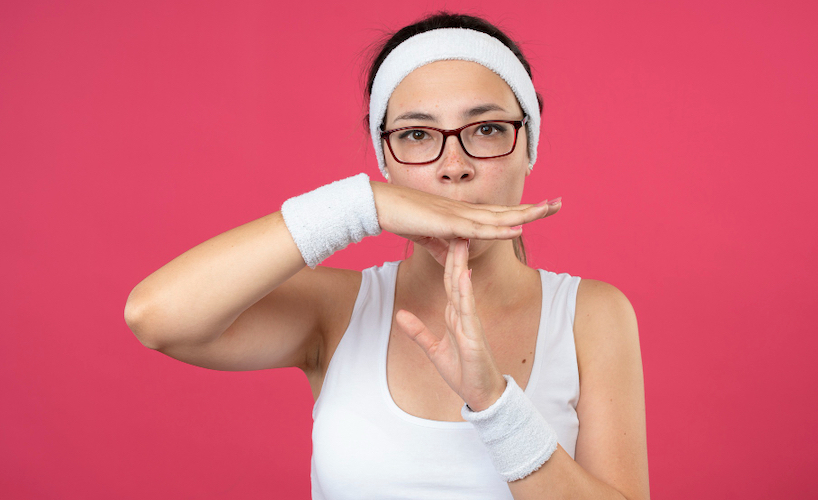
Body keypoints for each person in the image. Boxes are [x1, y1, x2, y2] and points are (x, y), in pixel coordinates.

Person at [124, 12, 650, 500]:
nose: (453, 165)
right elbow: (155, 317)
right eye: (417, 135)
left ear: (527, 143)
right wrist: (359, 205)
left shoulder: (591, 315)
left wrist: (496, 405)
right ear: (386, 160)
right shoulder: (338, 308)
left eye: (487, 128)